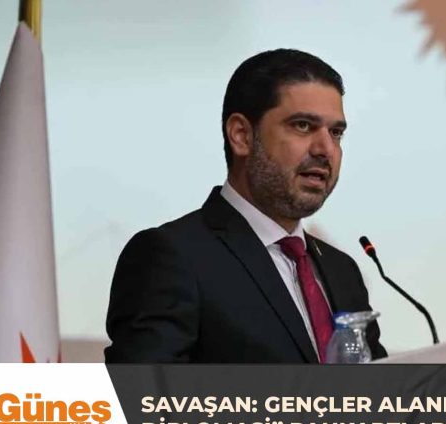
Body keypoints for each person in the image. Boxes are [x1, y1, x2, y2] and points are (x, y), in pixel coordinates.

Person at [104, 49, 386, 363]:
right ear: (241, 135)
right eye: (303, 126)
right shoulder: (172, 258)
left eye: (336, 133)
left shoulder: (342, 271)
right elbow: (143, 391)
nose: (325, 149)